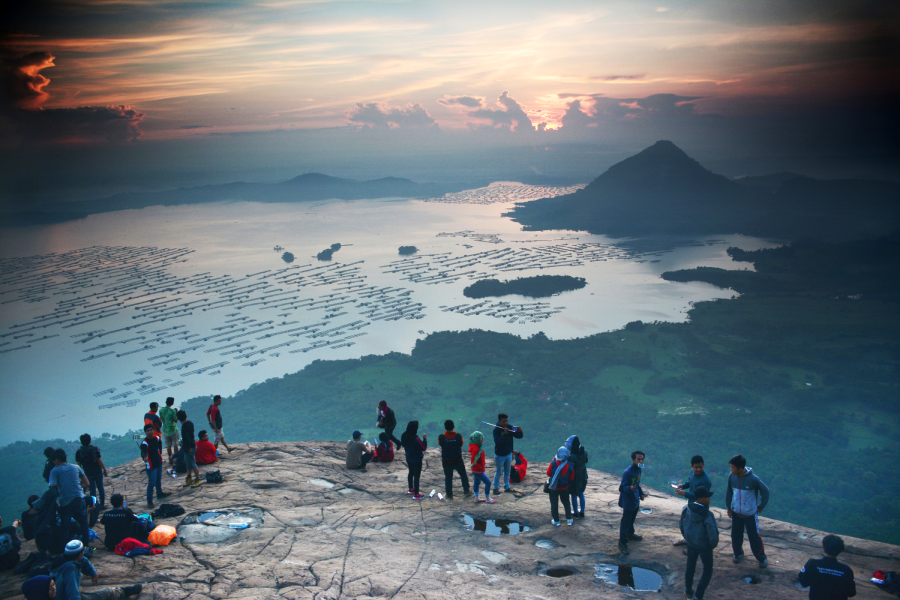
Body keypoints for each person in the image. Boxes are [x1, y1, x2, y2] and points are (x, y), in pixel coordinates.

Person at [31, 448, 90, 549]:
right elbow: (87, 483)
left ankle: (65, 549)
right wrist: (77, 489)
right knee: (84, 524)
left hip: (66, 503)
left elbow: (52, 489)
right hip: (79, 499)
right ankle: (86, 547)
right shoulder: (76, 467)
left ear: (57, 460)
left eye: (54, 460)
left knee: (65, 528)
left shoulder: (55, 471)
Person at [47, 540, 142, 600]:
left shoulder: (60, 560)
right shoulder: (71, 569)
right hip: (64, 597)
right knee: (103, 594)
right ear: (80, 554)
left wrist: (92, 572)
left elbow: (82, 560)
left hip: (59, 595)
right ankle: (122, 591)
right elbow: (72, 594)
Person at [725, 454, 770, 568]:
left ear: (740, 468)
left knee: (754, 537)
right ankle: (738, 554)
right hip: (736, 513)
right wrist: (729, 507)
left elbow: (765, 492)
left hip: (750, 513)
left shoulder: (753, 479)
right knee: (735, 535)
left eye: (733, 467)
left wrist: (760, 506)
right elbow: (729, 492)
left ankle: (761, 558)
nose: (731, 469)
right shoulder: (732, 476)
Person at [679, 486, 719, 600]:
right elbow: (712, 533)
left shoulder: (687, 508)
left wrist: (687, 538)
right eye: (707, 497)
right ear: (700, 499)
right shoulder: (707, 514)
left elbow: (681, 525)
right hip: (705, 547)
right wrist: (712, 545)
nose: (709, 499)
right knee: (707, 570)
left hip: (691, 544)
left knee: (690, 568)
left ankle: (688, 591)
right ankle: (698, 596)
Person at [799, 534, 857, 600]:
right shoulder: (846, 570)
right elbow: (851, 593)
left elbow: (803, 582)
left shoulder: (812, 564)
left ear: (823, 546)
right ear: (840, 550)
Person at [674, 455, 713, 547]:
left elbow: (699, 496)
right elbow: (690, 482)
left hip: (700, 507)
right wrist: (683, 486)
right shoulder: (692, 472)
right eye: (696, 467)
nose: (698, 469)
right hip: (691, 504)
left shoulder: (705, 480)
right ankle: (687, 539)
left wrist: (684, 494)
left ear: (703, 465)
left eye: (700, 467)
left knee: (696, 528)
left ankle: (694, 546)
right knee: (685, 523)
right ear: (692, 466)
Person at [617, 450, 646, 555]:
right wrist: (630, 488)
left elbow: (637, 483)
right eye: (639, 459)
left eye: (642, 459)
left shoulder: (639, 469)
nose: (641, 461)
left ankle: (630, 533)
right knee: (625, 520)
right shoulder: (628, 472)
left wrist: (641, 493)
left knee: (632, 518)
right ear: (633, 459)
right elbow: (621, 488)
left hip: (635, 499)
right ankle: (622, 542)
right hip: (628, 500)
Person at [492, 413, 524, 494]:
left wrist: (520, 432)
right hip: (500, 455)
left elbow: (518, 436)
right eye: (503, 421)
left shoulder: (510, 427)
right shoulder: (496, 430)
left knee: (507, 471)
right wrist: (504, 434)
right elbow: (498, 442)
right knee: (499, 472)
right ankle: (496, 488)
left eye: (506, 421)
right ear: (499, 421)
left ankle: (507, 487)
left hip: (508, 454)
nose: (505, 423)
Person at [437, 420, 470, 499]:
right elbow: (461, 444)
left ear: (445, 427)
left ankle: (449, 494)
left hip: (446, 461)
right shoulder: (458, 436)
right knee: (463, 475)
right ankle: (466, 490)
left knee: (448, 477)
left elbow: (440, 444)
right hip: (457, 460)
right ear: (453, 426)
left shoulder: (441, 437)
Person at [140, 423, 170, 507]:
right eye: (147, 431)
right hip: (151, 465)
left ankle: (159, 493)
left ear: (153, 430)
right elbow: (143, 453)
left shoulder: (157, 438)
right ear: (145, 432)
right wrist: (145, 457)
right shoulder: (144, 443)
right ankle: (149, 501)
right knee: (151, 483)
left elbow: (159, 448)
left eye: (151, 430)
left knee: (158, 479)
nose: (149, 432)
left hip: (158, 462)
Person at [75, 434, 108, 509]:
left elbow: (78, 465)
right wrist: (104, 469)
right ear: (90, 440)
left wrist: (79, 476)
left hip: (88, 474)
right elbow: (99, 461)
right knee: (100, 487)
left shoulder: (79, 452)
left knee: (92, 490)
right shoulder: (94, 449)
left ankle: (94, 505)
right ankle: (102, 504)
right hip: (97, 471)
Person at [546, 446, 575, 526]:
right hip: (565, 487)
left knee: (554, 504)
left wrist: (552, 462)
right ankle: (569, 520)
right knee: (566, 502)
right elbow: (572, 478)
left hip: (554, 488)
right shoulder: (570, 465)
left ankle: (556, 521)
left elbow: (548, 474)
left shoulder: (553, 464)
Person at [400, 421, 427, 499]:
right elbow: (423, 448)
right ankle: (417, 494)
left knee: (411, 472)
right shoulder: (416, 438)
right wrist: (424, 439)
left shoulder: (404, 435)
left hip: (408, 457)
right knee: (417, 476)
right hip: (417, 459)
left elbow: (403, 444)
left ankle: (411, 489)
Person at [565, 436, 589, 519]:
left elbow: (570, 468)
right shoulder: (584, 451)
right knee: (581, 493)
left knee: (573, 494)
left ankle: (575, 513)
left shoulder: (571, 456)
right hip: (583, 475)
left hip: (575, 477)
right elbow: (586, 461)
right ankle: (582, 512)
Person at [468, 432, 495, 504]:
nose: (482, 440)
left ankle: (476, 498)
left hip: (476, 469)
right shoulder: (476, 448)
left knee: (477, 482)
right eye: (481, 438)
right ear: (477, 439)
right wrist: (479, 467)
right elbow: (475, 459)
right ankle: (488, 498)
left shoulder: (477, 446)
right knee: (488, 482)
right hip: (478, 470)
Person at [177, 410, 202, 487]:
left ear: (178, 419)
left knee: (192, 464)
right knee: (188, 463)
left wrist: (187, 448)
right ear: (186, 416)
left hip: (189, 448)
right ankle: (189, 477)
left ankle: (197, 480)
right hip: (193, 445)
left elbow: (186, 438)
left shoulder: (184, 427)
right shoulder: (190, 423)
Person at [159, 396, 180, 463]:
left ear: (166, 402)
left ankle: (170, 458)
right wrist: (176, 412)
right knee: (175, 444)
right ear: (172, 403)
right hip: (173, 429)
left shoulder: (161, 410)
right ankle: (176, 458)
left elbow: (161, 418)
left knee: (168, 445)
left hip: (165, 430)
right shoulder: (172, 411)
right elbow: (176, 420)